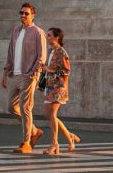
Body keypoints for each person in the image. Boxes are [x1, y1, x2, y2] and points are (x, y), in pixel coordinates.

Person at [1, 3, 47, 154]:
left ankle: (26, 142)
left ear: (33, 15)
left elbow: (42, 55)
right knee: (10, 107)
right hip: (14, 74)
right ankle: (34, 131)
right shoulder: (16, 30)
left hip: (29, 75)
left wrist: (35, 72)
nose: (23, 15)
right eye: (21, 13)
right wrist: (5, 73)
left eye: (26, 13)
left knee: (25, 108)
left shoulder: (38, 32)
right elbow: (10, 52)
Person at [41, 27, 81, 155]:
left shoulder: (62, 52)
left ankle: (54, 144)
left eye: (49, 35)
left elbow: (66, 71)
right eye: (47, 35)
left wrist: (49, 70)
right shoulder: (50, 51)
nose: (47, 37)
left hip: (58, 87)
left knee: (52, 114)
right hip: (49, 86)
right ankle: (69, 137)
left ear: (57, 37)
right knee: (50, 115)